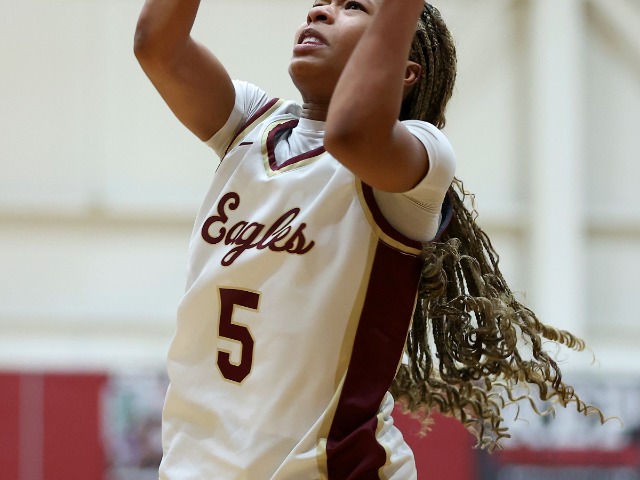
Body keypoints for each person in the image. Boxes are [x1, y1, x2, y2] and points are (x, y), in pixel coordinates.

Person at [134, 0, 603, 478]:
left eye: (353, 6)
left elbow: (352, 134)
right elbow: (157, 45)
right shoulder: (253, 125)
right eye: (319, 3)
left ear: (405, 70)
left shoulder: (421, 155)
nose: (319, 13)